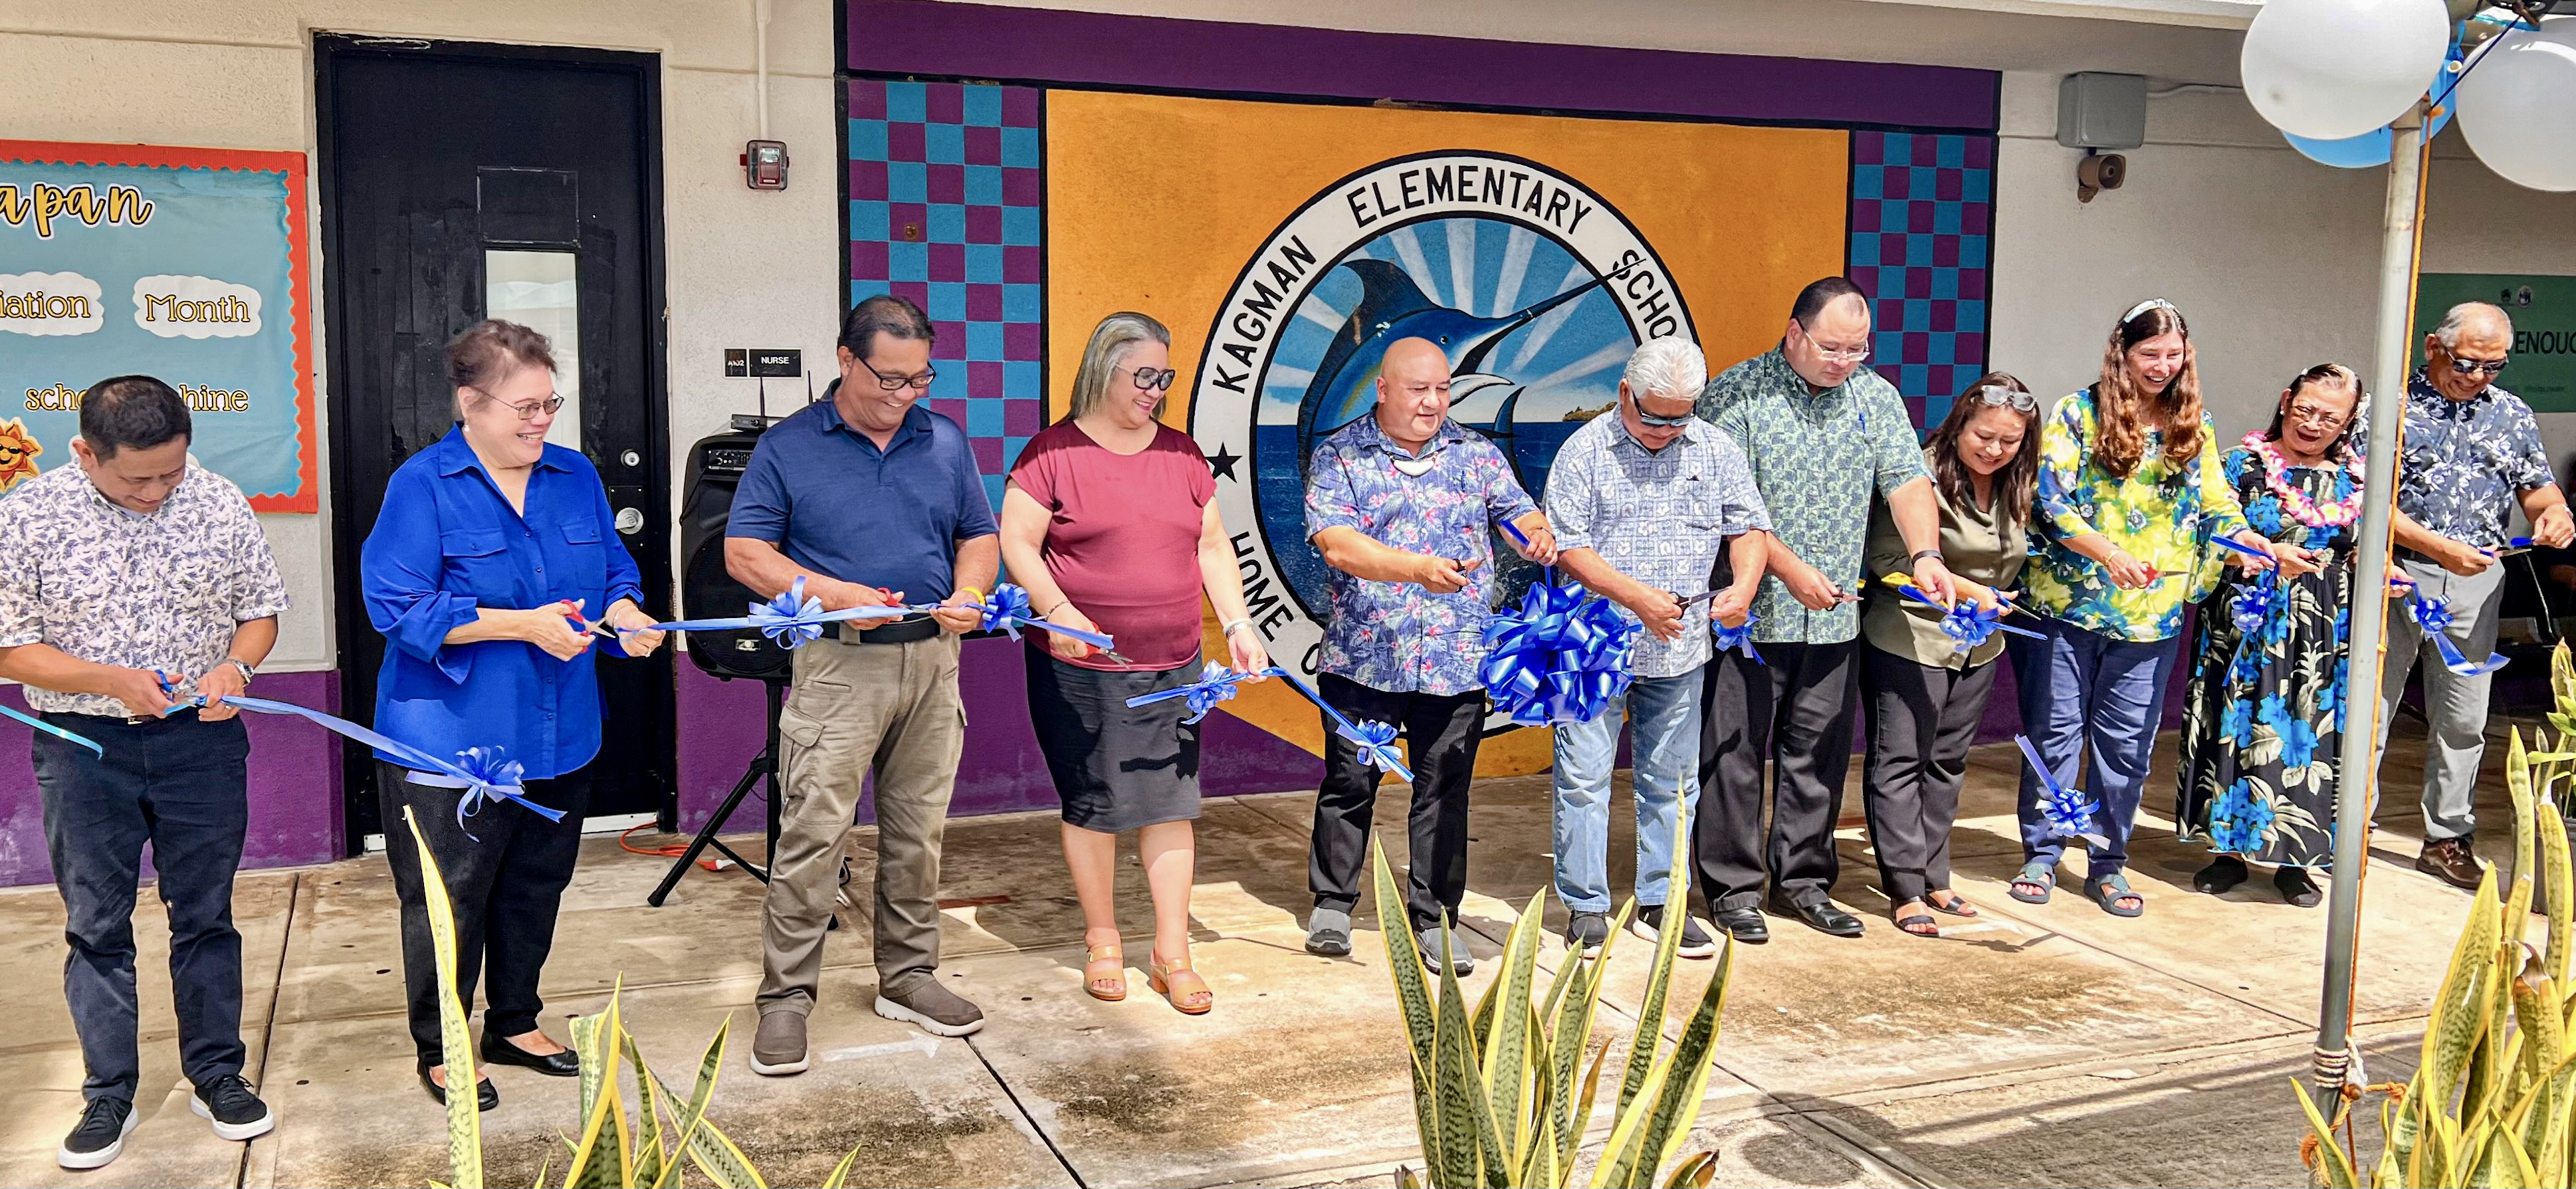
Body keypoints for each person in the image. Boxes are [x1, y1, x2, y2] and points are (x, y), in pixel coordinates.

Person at [362, 320, 668, 1109]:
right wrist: (520, 621)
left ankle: (516, 1020)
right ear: (470, 402)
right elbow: (396, 606)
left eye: (549, 404)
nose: (541, 422)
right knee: (448, 896)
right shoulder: (423, 484)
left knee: (536, 884)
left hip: (559, 730)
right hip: (451, 741)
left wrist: (627, 612)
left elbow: (610, 570)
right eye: (524, 407)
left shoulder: (575, 477)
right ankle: (443, 1046)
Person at [0, 376, 288, 1169]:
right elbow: (10, 645)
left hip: (201, 743)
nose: (158, 491)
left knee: (206, 913)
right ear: (85, 453)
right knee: (96, 925)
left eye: (171, 472)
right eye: (137, 479)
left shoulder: (217, 501)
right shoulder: (27, 515)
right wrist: (106, 678)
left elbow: (259, 610)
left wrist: (236, 666)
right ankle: (108, 1094)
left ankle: (217, 1074)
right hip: (84, 747)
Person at [726, 294, 998, 1069]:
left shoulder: (942, 440)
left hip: (934, 661)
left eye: (920, 379)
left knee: (919, 833)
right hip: (840, 664)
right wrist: (832, 593)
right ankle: (785, 999)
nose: (906, 395)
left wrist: (972, 591)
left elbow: (976, 533)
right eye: (889, 379)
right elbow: (745, 551)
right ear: (845, 360)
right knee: (814, 833)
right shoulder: (788, 447)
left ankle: (908, 976)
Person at [1000, 312, 1272, 1014]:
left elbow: (1212, 546)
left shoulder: (1184, 456)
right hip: (1078, 665)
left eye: (1165, 378)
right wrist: (1058, 611)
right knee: (1093, 802)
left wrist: (1238, 623)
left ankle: (1172, 951)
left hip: (1174, 661)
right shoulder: (1050, 454)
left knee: (1171, 804)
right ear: (1103, 369)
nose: (1157, 389)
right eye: (1145, 375)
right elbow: (1018, 544)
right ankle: (1103, 939)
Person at [1692, 277, 1959, 944]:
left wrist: (1925, 552)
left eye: (1857, 349)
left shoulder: (1876, 398)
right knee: (1736, 754)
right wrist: (1788, 569)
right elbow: (1730, 507)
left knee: (1817, 753)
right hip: (1748, 615)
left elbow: (1906, 481)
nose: (1844, 360)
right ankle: (1732, 889)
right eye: (1832, 346)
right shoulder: (1737, 394)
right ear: (1794, 334)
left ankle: (1805, 881)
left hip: (1835, 617)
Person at [2008, 298, 2294, 919]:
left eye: (2173, 354)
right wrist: (2107, 552)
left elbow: (2218, 506)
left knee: (2127, 744)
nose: (2162, 366)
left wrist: (2258, 547)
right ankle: (2043, 851)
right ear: (2123, 353)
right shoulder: (2078, 413)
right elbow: (2049, 503)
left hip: (2151, 614)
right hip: (2068, 605)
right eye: (2149, 355)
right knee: (2057, 734)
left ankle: (2108, 861)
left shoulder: (2197, 423)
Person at [1303, 336, 1557, 973]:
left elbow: (1518, 512)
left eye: (1442, 389)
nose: (1433, 402)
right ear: (1382, 389)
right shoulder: (1340, 455)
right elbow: (1336, 545)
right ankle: (1333, 902)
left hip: (1456, 661)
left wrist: (1538, 536)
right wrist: (1415, 569)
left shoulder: (1476, 454)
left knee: (1445, 790)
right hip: (1365, 657)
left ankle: (1436, 917)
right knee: (1350, 781)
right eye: (1419, 389)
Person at [1543, 338, 1769, 958]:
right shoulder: (1582, 452)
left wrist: (1743, 588)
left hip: (1678, 651)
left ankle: (1662, 902)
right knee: (1585, 778)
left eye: (1681, 416)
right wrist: (1636, 597)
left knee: (1672, 783)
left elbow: (1749, 525)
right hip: (1592, 647)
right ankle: (1586, 906)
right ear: (1624, 394)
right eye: (1655, 416)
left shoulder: (1716, 448)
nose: (1668, 430)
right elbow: (1568, 545)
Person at [2365, 301, 2576, 891]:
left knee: (2463, 716)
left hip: (2477, 580)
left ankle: (2447, 837)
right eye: (2466, 362)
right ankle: (2351, 829)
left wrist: (2555, 515)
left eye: (2494, 366)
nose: (2479, 376)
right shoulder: (2389, 407)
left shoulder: (2510, 414)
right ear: (2433, 346)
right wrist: (2436, 548)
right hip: (2397, 572)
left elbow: (2537, 489)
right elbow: (2363, 501)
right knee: (2371, 709)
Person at [1858, 373, 2040, 936]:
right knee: (1901, 760)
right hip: (1910, 636)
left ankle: (1936, 873)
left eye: (2009, 442)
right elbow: (1887, 555)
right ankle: (1905, 887)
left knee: (1947, 763)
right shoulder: (1918, 473)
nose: (1994, 450)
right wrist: (1966, 590)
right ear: (1961, 423)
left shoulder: (2020, 482)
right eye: (1984, 436)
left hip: (1979, 646)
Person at [2177, 364, 2365, 909]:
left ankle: (2295, 858)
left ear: (2349, 421)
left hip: (2323, 623)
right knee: (2237, 723)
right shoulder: (2241, 463)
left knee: (2308, 730)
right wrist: (2259, 555)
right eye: (2305, 409)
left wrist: (2385, 576)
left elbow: (2360, 545)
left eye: (2329, 417)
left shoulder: (2356, 476)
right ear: (2285, 402)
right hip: (2247, 617)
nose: (2313, 424)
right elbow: (2207, 531)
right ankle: (2227, 853)